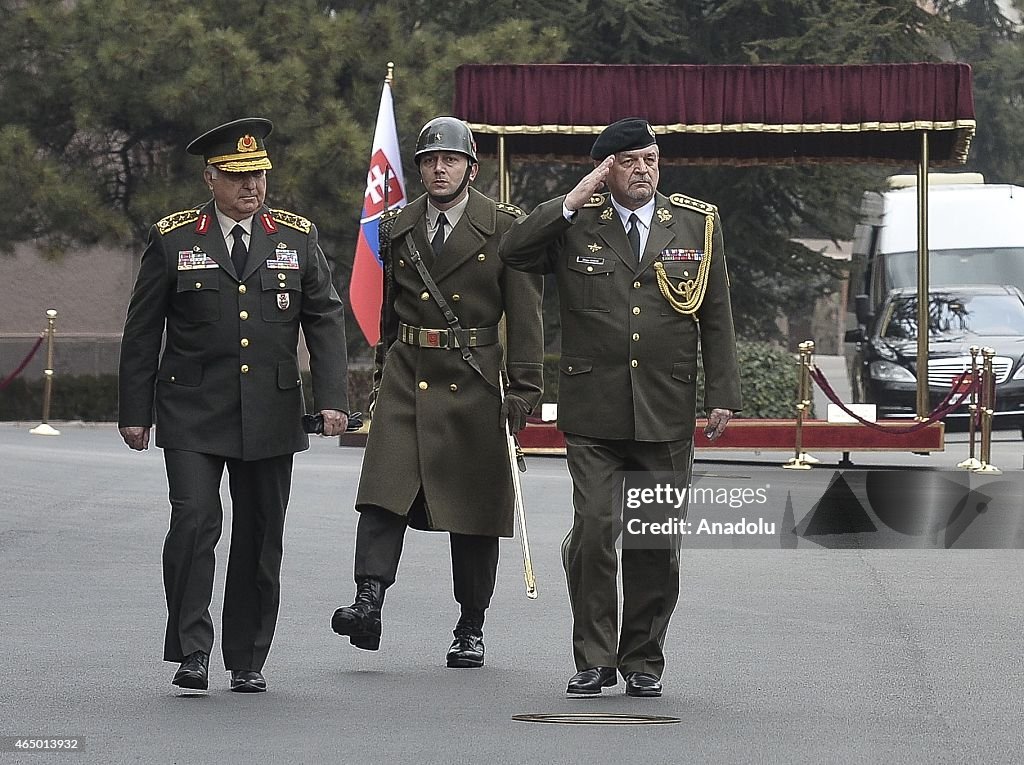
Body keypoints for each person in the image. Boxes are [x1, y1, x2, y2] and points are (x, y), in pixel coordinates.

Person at [498, 118, 741, 698]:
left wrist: (723, 395)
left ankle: (643, 660)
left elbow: (717, 314)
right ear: (606, 170)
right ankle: (593, 657)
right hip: (595, 410)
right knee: (596, 533)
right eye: (629, 161)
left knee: (654, 541)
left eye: (650, 159)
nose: (643, 170)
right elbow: (514, 251)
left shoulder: (694, 223)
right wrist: (576, 195)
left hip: (665, 405)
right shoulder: (577, 223)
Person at [117, 117, 349, 694]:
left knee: (261, 533)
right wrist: (134, 410)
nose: (252, 187)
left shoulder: (296, 238)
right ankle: (192, 648)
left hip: (270, 410)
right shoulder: (174, 238)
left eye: (260, 175)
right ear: (210, 178)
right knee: (194, 522)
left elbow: (324, 318)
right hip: (191, 408)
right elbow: (143, 328)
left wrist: (333, 400)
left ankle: (247, 656)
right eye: (238, 176)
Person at [330, 116, 543, 668]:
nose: (438, 168)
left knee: (473, 509)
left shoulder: (502, 226)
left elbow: (525, 316)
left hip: (474, 381)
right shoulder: (399, 224)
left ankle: (470, 625)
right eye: (428, 160)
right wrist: (380, 382)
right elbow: (388, 313)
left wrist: (523, 391)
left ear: (471, 168)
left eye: (449, 160)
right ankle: (367, 600)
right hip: (407, 372)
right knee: (382, 489)